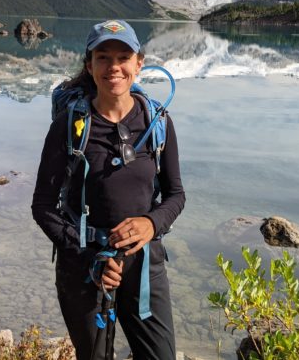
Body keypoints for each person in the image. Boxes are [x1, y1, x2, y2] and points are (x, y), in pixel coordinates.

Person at [32, 19, 185, 360]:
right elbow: (43, 205)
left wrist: (151, 224)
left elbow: (176, 195)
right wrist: (88, 257)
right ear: (89, 65)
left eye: (123, 57)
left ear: (138, 64)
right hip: (82, 265)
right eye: (103, 57)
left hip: (144, 263)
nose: (113, 67)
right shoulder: (69, 127)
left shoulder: (157, 121)